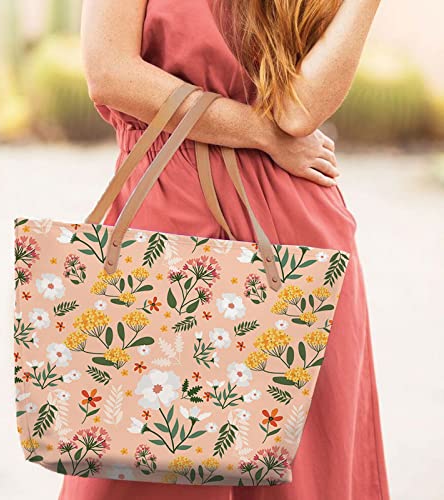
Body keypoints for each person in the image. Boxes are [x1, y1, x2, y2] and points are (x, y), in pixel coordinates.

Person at [59, 0, 390, 498]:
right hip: (170, 219)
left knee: (301, 477)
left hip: (294, 239)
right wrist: (258, 131)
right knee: (145, 460)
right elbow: (110, 72)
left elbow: (298, 111)